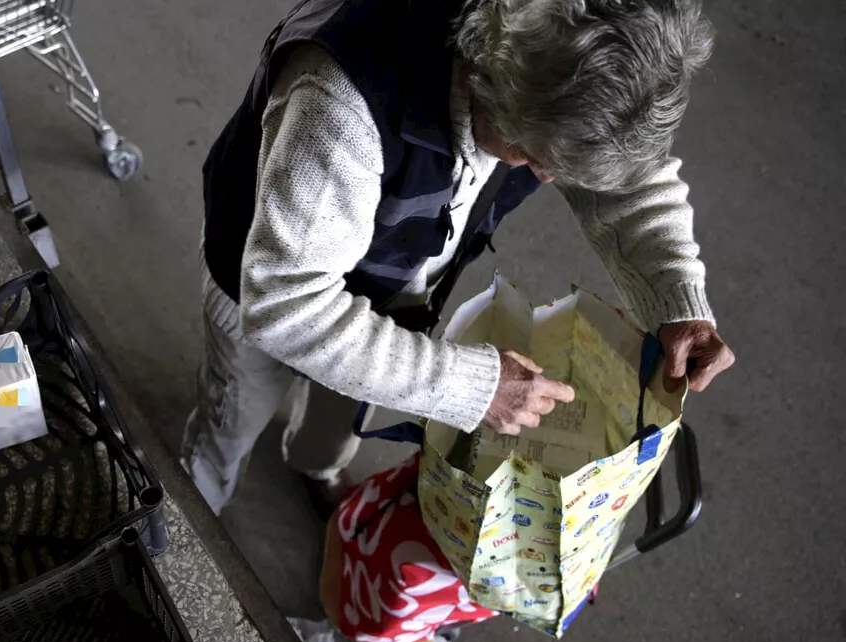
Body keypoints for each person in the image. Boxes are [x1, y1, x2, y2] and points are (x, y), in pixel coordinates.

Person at [182, 0, 736, 516]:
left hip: (386, 288)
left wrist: (675, 294)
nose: (545, 177)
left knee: (346, 401)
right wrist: (471, 388)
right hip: (263, 283)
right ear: (484, 78)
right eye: (534, 156)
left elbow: (625, 178)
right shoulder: (343, 100)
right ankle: (200, 506)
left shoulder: (554, 69)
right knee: (231, 416)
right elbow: (286, 306)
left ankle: (314, 462)